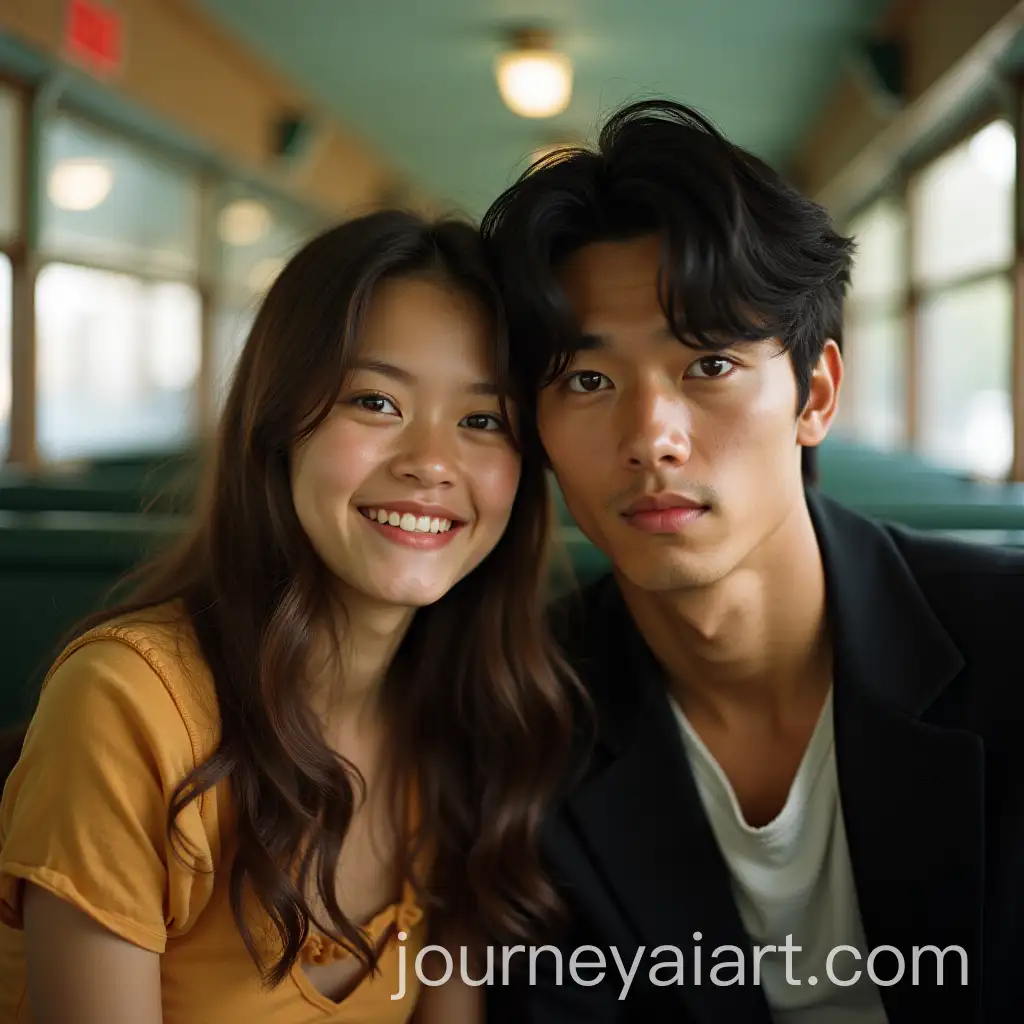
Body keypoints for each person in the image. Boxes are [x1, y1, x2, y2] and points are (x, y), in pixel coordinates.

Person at [479, 99, 1023, 1023]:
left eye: (709, 365)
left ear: (815, 395)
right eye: (588, 380)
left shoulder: (1010, 643)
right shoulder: (519, 721)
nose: (653, 438)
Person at [0, 211, 579, 1023]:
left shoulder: (469, 715)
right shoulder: (128, 704)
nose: (432, 462)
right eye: (376, 402)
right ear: (278, 429)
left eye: (483, 420)